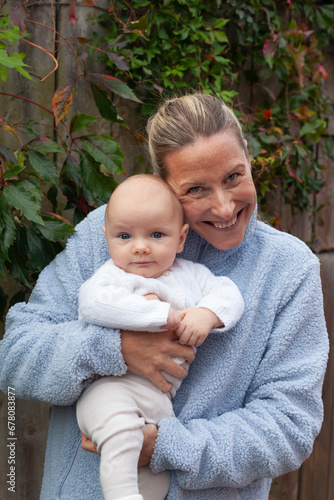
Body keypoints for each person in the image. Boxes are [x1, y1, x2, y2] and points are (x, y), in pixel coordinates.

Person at [0, 93, 329, 500]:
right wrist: (112, 347)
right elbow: (15, 355)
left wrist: (164, 446)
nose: (225, 207)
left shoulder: (288, 269)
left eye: (233, 176)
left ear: (248, 155)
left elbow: (289, 425)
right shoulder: (108, 233)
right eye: (196, 189)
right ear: (166, 186)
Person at [76, 174, 245, 500]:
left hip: (159, 398)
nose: (140, 247)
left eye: (156, 234)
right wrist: (157, 316)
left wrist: (207, 315)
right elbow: (93, 303)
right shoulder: (115, 276)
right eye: (124, 236)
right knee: (122, 436)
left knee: (156, 471)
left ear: (181, 239)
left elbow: (230, 293)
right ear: (107, 239)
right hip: (110, 388)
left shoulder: (191, 276)